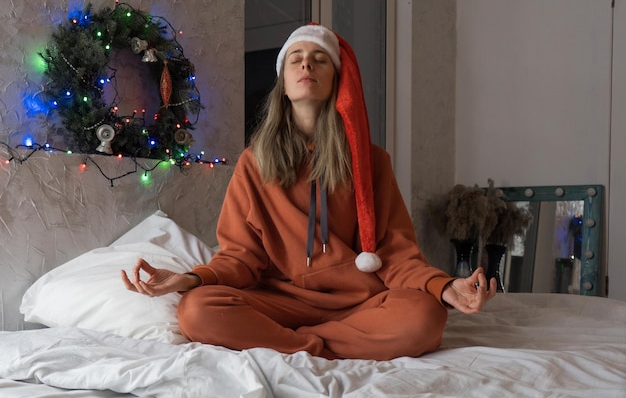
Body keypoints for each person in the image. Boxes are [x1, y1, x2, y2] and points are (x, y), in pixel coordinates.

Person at [121, 24, 496, 361]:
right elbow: (240, 257)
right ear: (283, 83)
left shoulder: (373, 161)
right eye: (296, 60)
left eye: (319, 60)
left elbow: (396, 253)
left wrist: (443, 286)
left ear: (337, 79)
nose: (306, 66)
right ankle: (319, 345)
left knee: (425, 317)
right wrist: (189, 279)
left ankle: (291, 344)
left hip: (361, 302)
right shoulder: (254, 163)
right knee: (197, 310)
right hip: (279, 302)